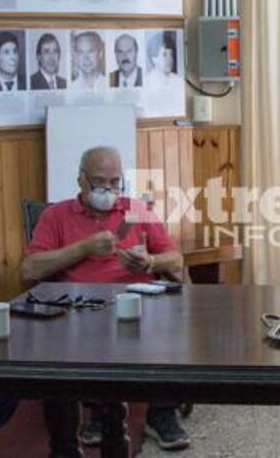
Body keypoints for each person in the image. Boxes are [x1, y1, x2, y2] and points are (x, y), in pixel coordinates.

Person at [22, 147, 190, 454]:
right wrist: (83, 248)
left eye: (115, 182)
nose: (108, 191)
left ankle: (161, 412)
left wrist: (150, 261)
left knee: (166, 330)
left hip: (138, 299)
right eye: (100, 182)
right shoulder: (56, 215)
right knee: (79, 337)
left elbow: (176, 259)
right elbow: (30, 269)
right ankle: (99, 412)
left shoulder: (135, 210)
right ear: (81, 180)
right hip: (82, 305)